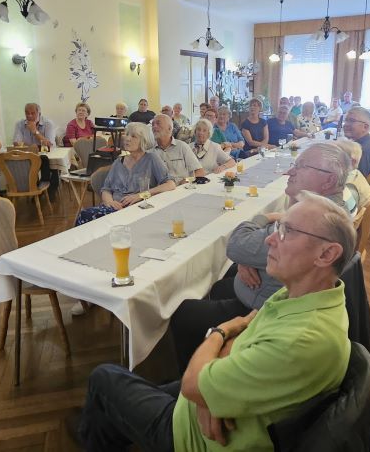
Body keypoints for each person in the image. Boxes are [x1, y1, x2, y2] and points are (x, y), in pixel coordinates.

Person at [77, 194, 355, 452]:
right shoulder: (306, 294)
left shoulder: (303, 340)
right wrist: (205, 395)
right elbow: (246, 328)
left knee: (104, 378)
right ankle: (104, 424)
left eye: (287, 232)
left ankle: (97, 427)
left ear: (326, 254)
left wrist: (218, 334)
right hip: (224, 402)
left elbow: (199, 376)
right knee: (111, 408)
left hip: (200, 440)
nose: (270, 240)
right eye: (277, 228)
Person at [169, 142, 351, 372]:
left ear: (328, 181)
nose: (290, 171)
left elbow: (235, 245)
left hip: (261, 308)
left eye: (301, 166)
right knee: (220, 284)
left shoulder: (312, 223)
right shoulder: (328, 211)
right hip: (267, 292)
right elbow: (244, 251)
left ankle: (192, 373)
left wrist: (264, 218)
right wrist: (248, 258)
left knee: (184, 313)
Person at [74, 122, 175, 226]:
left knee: (87, 218)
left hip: (138, 208)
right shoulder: (118, 162)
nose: (127, 139)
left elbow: (170, 184)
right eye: (126, 135)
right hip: (115, 208)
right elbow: (106, 189)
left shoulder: (151, 159)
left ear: (144, 141)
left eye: (133, 136)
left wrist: (140, 195)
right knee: (84, 216)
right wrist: (110, 202)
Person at [151, 114, 205, 183]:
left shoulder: (182, 146)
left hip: (182, 189)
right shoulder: (150, 151)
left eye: (158, 123)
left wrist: (186, 181)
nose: (154, 126)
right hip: (161, 191)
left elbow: (200, 172)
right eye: (153, 124)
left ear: (169, 128)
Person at [333, 138, 370, 212]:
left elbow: (342, 215)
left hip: (354, 220)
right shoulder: (355, 173)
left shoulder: (348, 186)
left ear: (352, 161)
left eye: (335, 157)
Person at [341, 106, 370, 176]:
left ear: (365, 127)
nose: (346, 124)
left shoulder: (362, 150)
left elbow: (355, 181)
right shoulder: (366, 142)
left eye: (352, 121)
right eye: (346, 120)